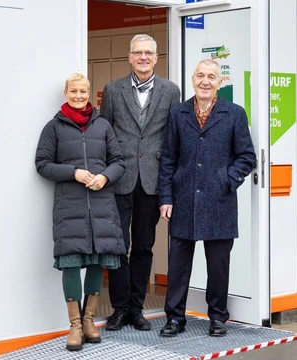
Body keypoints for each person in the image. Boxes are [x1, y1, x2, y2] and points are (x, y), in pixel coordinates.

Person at [157, 59, 256, 338]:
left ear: (219, 82)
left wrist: (227, 179)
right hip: (183, 200)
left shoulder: (234, 113)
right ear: (192, 79)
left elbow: (246, 156)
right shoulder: (178, 113)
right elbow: (168, 159)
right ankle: (175, 318)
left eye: (211, 77)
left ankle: (217, 317)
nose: (205, 81)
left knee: (218, 266)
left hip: (219, 201)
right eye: (200, 75)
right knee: (178, 266)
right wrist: (166, 197)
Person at [35, 72, 126, 351]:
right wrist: (73, 172)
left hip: (101, 206)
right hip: (70, 208)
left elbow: (119, 161)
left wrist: (106, 177)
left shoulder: (103, 126)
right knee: (71, 264)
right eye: (74, 91)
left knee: (98, 262)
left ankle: (89, 321)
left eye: (83, 92)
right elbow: (42, 164)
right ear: (66, 93)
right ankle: (74, 326)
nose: (78, 96)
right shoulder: (54, 127)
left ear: (90, 93)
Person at [99, 34, 181, 332]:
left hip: (152, 179)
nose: (143, 57)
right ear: (130, 57)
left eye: (148, 53)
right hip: (120, 178)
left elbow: (173, 137)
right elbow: (104, 133)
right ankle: (119, 309)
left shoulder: (171, 91)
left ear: (156, 58)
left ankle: (137, 309)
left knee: (144, 246)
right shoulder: (112, 89)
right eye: (138, 53)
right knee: (119, 245)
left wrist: (171, 183)